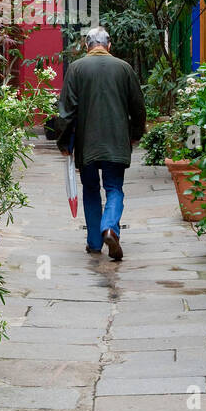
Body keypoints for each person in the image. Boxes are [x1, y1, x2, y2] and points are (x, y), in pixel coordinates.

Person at [55, 26, 146, 261]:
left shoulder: (76, 69)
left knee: (91, 190)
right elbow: (138, 107)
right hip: (117, 141)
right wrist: (136, 133)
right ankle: (110, 229)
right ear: (109, 45)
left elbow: (66, 111)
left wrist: (64, 142)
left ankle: (95, 242)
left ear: (87, 46)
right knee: (114, 188)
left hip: (88, 143)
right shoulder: (124, 68)